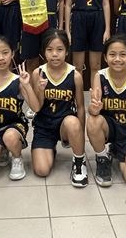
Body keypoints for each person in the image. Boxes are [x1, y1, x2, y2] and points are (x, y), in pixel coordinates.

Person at [30, 30, 87, 187]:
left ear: (67, 51)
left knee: (72, 122)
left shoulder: (75, 75)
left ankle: (79, 163)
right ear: (44, 52)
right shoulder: (37, 73)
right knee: (41, 170)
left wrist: (80, 135)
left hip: (64, 125)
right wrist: (39, 90)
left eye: (59, 49)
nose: (55, 54)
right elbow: (36, 107)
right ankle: (51, 149)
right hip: (43, 126)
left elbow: (81, 107)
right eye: (50, 50)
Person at [86, 34, 126, 187]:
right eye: (112, 54)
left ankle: (117, 151)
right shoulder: (100, 76)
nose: (117, 59)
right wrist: (94, 108)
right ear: (105, 57)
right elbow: (92, 111)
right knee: (93, 121)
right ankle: (103, 158)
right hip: (108, 128)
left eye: (123, 54)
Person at [0, 35, 39, 180]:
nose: (1, 58)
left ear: (12, 53)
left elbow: (36, 107)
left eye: (5, 53)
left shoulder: (18, 80)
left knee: (10, 136)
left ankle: (17, 158)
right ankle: (3, 148)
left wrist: (27, 86)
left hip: (15, 126)